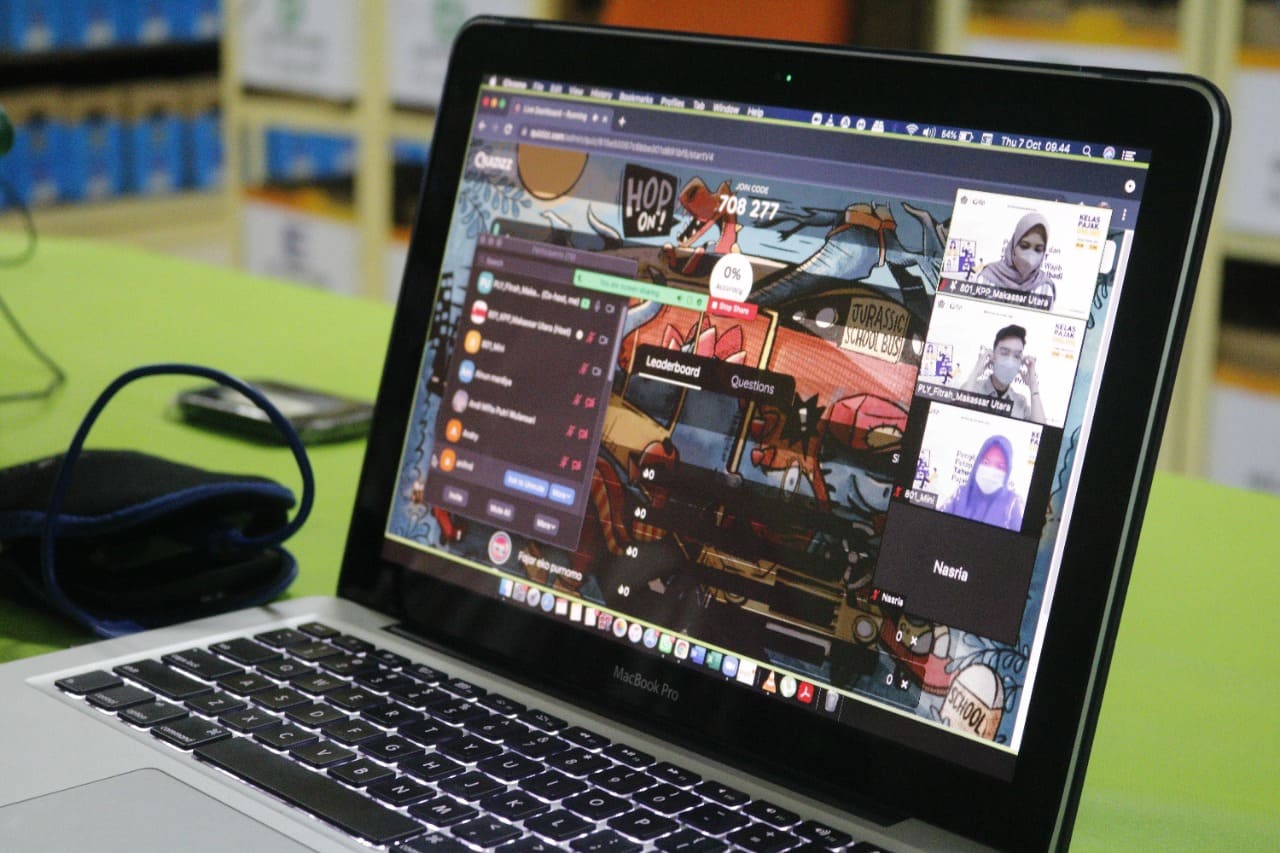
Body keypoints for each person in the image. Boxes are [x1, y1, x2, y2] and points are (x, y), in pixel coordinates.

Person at [959, 324, 1047, 424]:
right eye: (1004, 353)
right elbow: (957, 413)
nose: (1010, 362)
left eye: (1017, 356)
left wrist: (1033, 387)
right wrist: (975, 372)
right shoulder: (972, 389)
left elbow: (1041, 428)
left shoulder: (1021, 402)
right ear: (992, 356)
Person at [940, 435, 1024, 532]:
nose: (991, 471)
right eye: (986, 462)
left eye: (1000, 467)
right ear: (977, 463)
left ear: (1007, 472)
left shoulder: (1013, 503)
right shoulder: (961, 494)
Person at [978, 212, 1054, 304]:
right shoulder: (985, 278)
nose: (1030, 257)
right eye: (1024, 246)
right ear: (1013, 246)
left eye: (1038, 249)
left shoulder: (1045, 288)